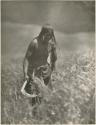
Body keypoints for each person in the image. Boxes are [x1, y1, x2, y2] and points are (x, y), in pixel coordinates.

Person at [23, 24, 57, 92]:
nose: (49, 38)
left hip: (46, 70)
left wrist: (53, 70)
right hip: (34, 72)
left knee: (50, 93)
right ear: (43, 33)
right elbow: (26, 59)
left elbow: (54, 59)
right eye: (47, 35)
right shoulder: (34, 43)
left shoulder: (51, 43)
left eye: (51, 36)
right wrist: (25, 73)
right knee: (34, 96)